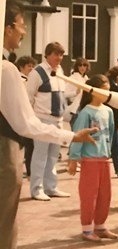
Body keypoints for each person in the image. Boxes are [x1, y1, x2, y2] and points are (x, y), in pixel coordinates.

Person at [0, 0, 97, 249]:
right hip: (5, 152)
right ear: (8, 27)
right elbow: (26, 122)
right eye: (21, 24)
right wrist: (72, 136)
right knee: (2, 230)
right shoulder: (7, 70)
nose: (24, 31)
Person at [68, 75, 117, 242]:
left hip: (104, 159)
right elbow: (77, 136)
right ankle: (87, 228)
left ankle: (100, 225)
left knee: (105, 195)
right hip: (90, 161)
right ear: (93, 91)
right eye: (104, 89)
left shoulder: (109, 111)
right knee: (89, 195)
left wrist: (110, 153)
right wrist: (73, 159)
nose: (107, 92)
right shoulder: (85, 113)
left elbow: (110, 133)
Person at [26, 41, 70, 201]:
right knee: (40, 155)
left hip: (57, 120)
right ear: (47, 55)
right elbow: (28, 97)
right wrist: (31, 120)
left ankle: (50, 187)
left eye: (61, 55)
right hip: (42, 119)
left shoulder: (60, 71)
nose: (59, 58)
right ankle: (36, 189)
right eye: (56, 54)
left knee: (53, 155)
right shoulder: (37, 72)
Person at [15, 55, 37, 178]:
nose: (31, 68)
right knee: (25, 146)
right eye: (29, 66)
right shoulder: (19, 80)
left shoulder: (30, 80)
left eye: (33, 66)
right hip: (20, 117)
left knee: (30, 146)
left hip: (30, 117)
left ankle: (30, 171)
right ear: (21, 67)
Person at [64, 57, 90, 124]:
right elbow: (64, 94)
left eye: (84, 65)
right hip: (75, 109)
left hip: (84, 107)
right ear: (77, 67)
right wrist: (75, 92)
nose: (82, 67)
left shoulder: (86, 79)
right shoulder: (73, 78)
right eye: (80, 65)